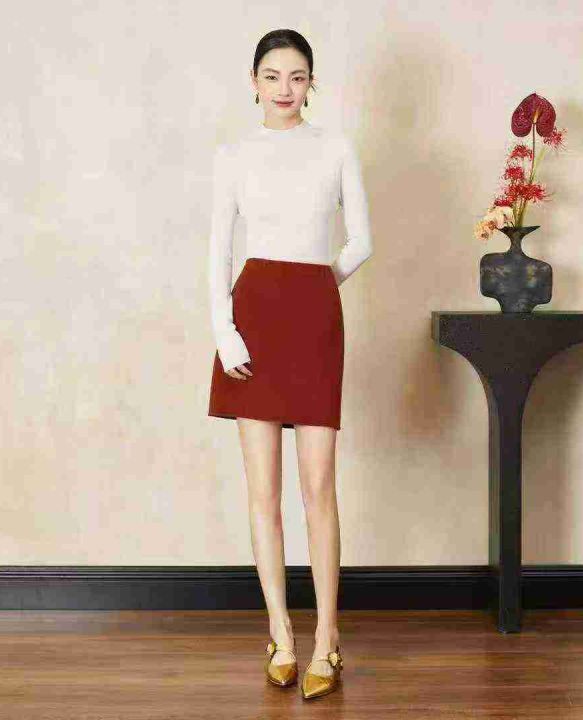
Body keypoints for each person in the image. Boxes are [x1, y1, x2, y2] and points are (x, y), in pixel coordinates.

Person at [207, 28, 373, 700]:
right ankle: (280, 634)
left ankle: (327, 639)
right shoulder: (233, 155)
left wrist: (318, 285)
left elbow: (361, 241)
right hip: (250, 320)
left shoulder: (335, 147)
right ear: (254, 82)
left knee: (319, 488)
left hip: (313, 320)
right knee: (263, 494)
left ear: (311, 84)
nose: (285, 88)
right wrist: (225, 332)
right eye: (272, 76)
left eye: (297, 76)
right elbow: (218, 250)